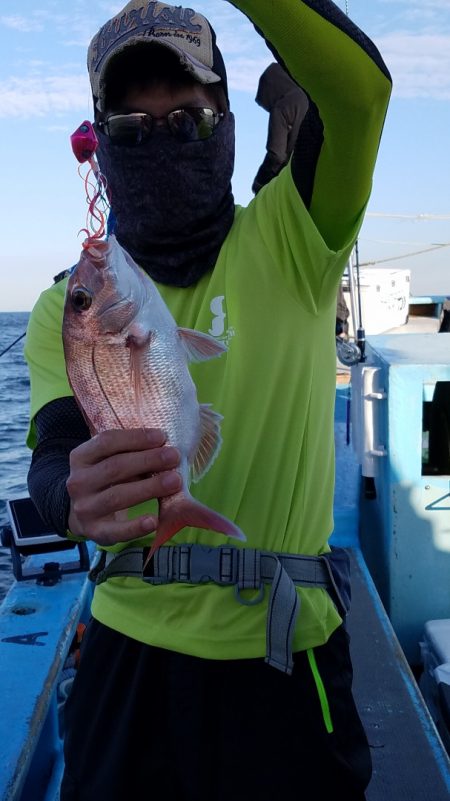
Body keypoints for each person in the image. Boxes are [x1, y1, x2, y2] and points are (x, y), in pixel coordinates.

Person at [24, 1, 391, 799]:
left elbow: (359, 95)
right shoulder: (68, 309)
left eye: (189, 118)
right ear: (99, 149)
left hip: (285, 653)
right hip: (127, 653)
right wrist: (71, 501)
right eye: (130, 127)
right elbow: (53, 456)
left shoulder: (297, 234)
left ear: (226, 124)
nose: (162, 139)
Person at [253, 60, 350, 337]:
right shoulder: (314, 99)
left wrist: (260, 185)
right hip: (328, 191)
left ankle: (286, 320)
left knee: (288, 257)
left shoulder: (284, 106)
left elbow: (276, 155)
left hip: (296, 199)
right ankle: (338, 318)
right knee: (327, 260)